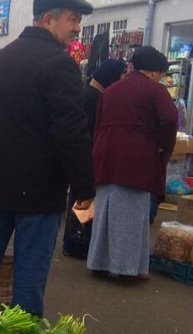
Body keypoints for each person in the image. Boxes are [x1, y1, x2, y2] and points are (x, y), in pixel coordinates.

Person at [0, 0, 95, 317]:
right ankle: (21, 327)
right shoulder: (59, 65)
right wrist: (84, 188)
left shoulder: (1, 61)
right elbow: (72, 132)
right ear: (48, 19)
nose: (77, 28)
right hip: (37, 193)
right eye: (72, 20)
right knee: (29, 276)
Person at [86, 46, 178, 280]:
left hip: (105, 156)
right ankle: (126, 269)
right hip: (136, 159)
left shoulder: (111, 90)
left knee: (104, 212)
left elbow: (99, 123)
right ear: (155, 72)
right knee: (131, 216)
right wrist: (161, 146)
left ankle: (98, 263)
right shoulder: (155, 91)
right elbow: (169, 120)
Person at [62, 58, 127, 259]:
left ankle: (74, 242)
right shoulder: (94, 97)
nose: (122, 80)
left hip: (82, 154)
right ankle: (78, 243)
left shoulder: (89, 93)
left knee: (80, 198)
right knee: (84, 199)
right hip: (87, 155)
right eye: (122, 76)